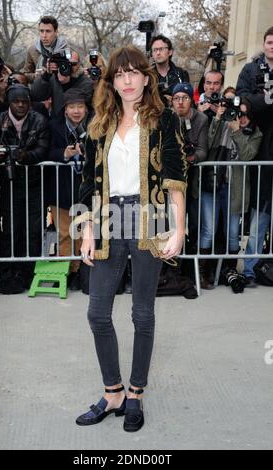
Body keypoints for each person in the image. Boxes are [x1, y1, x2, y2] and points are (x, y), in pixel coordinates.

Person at [74, 45, 186, 432]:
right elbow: (88, 181)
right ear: (112, 81)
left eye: (134, 72)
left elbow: (175, 177)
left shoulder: (163, 119)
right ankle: (113, 392)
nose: (127, 80)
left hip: (149, 218)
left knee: (142, 313)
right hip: (107, 219)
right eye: (120, 74)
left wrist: (180, 228)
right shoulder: (99, 123)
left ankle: (135, 393)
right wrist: (87, 229)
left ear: (145, 76)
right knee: (97, 312)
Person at [0, 84, 49, 294]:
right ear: (9, 102)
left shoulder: (39, 120)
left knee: (32, 229)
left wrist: (27, 157)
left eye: (25, 101)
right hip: (8, 184)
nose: (21, 105)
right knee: (10, 229)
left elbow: (43, 149)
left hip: (33, 184)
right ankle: (6, 272)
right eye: (16, 101)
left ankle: (28, 273)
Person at [199, 92, 262, 291]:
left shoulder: (255, 133)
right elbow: (208, 144)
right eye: (238, 113)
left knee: (233, 234)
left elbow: (247, 156)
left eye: (245, 115)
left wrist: (237, 133)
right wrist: (218, 119)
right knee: (208, 230)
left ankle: (230, 270)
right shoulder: (223, 124)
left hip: (235, 188)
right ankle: (203, 272)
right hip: (213, 183)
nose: (241, 118)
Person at [236, 26, 273, 287]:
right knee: (259, 213)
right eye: (270, 42)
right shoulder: (251, 69)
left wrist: (259, 102)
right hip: (261, 144)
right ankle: (249, 268)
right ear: (264, 44)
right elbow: (243, 100)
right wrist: (262, 102)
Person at [46, 88, 93, 290]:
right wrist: (63, 154)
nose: (76, 111)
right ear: (65, 109)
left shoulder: (94, 126)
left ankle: (83, 273)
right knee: (65, 233)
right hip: (61, 188)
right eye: (72, 107)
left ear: (86, 109)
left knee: (84, 233)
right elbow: (46, 150)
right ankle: (68, 272)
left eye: (80, 107)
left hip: (86, 189)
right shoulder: (53, 126)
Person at [171, 82, 208, 251]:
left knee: (194, 223)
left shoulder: (201, 119)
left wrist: (190, 157)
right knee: (171, 223)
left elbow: (202, 150)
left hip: (193, 178)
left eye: (184, 98)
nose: (180, 102)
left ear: (190, 100)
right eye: (176, 98)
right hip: (171, 178)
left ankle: (190, 266)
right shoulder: (167, 118)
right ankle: (170, 266)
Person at [31, 50, 93, 117]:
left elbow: (79, 106)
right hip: (56, 122)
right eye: (66, 63)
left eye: (73, 64)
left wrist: (66, 84)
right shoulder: (53, 78)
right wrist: (46, 76)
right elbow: (36, 96)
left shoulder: (86, 82)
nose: (69, 67)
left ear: (79, 64)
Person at [23, 15, 67, 83]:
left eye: (48, 31)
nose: (44, 35)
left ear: (55, 32)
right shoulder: (32, 50)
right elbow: (25, 75)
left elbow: (76, 72)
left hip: (61, 88)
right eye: (41, 31)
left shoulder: (66, 49)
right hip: (40, 88)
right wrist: (35, 76)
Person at [150, 34, 190, 107]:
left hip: (177, 115)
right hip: (153, 115)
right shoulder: (147, 75)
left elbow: (188, 100)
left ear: (170, 52)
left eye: (161, 49)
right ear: (152, 54)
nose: (158, 53)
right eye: (155, 50)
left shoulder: (181, 74)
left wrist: (174, 101)